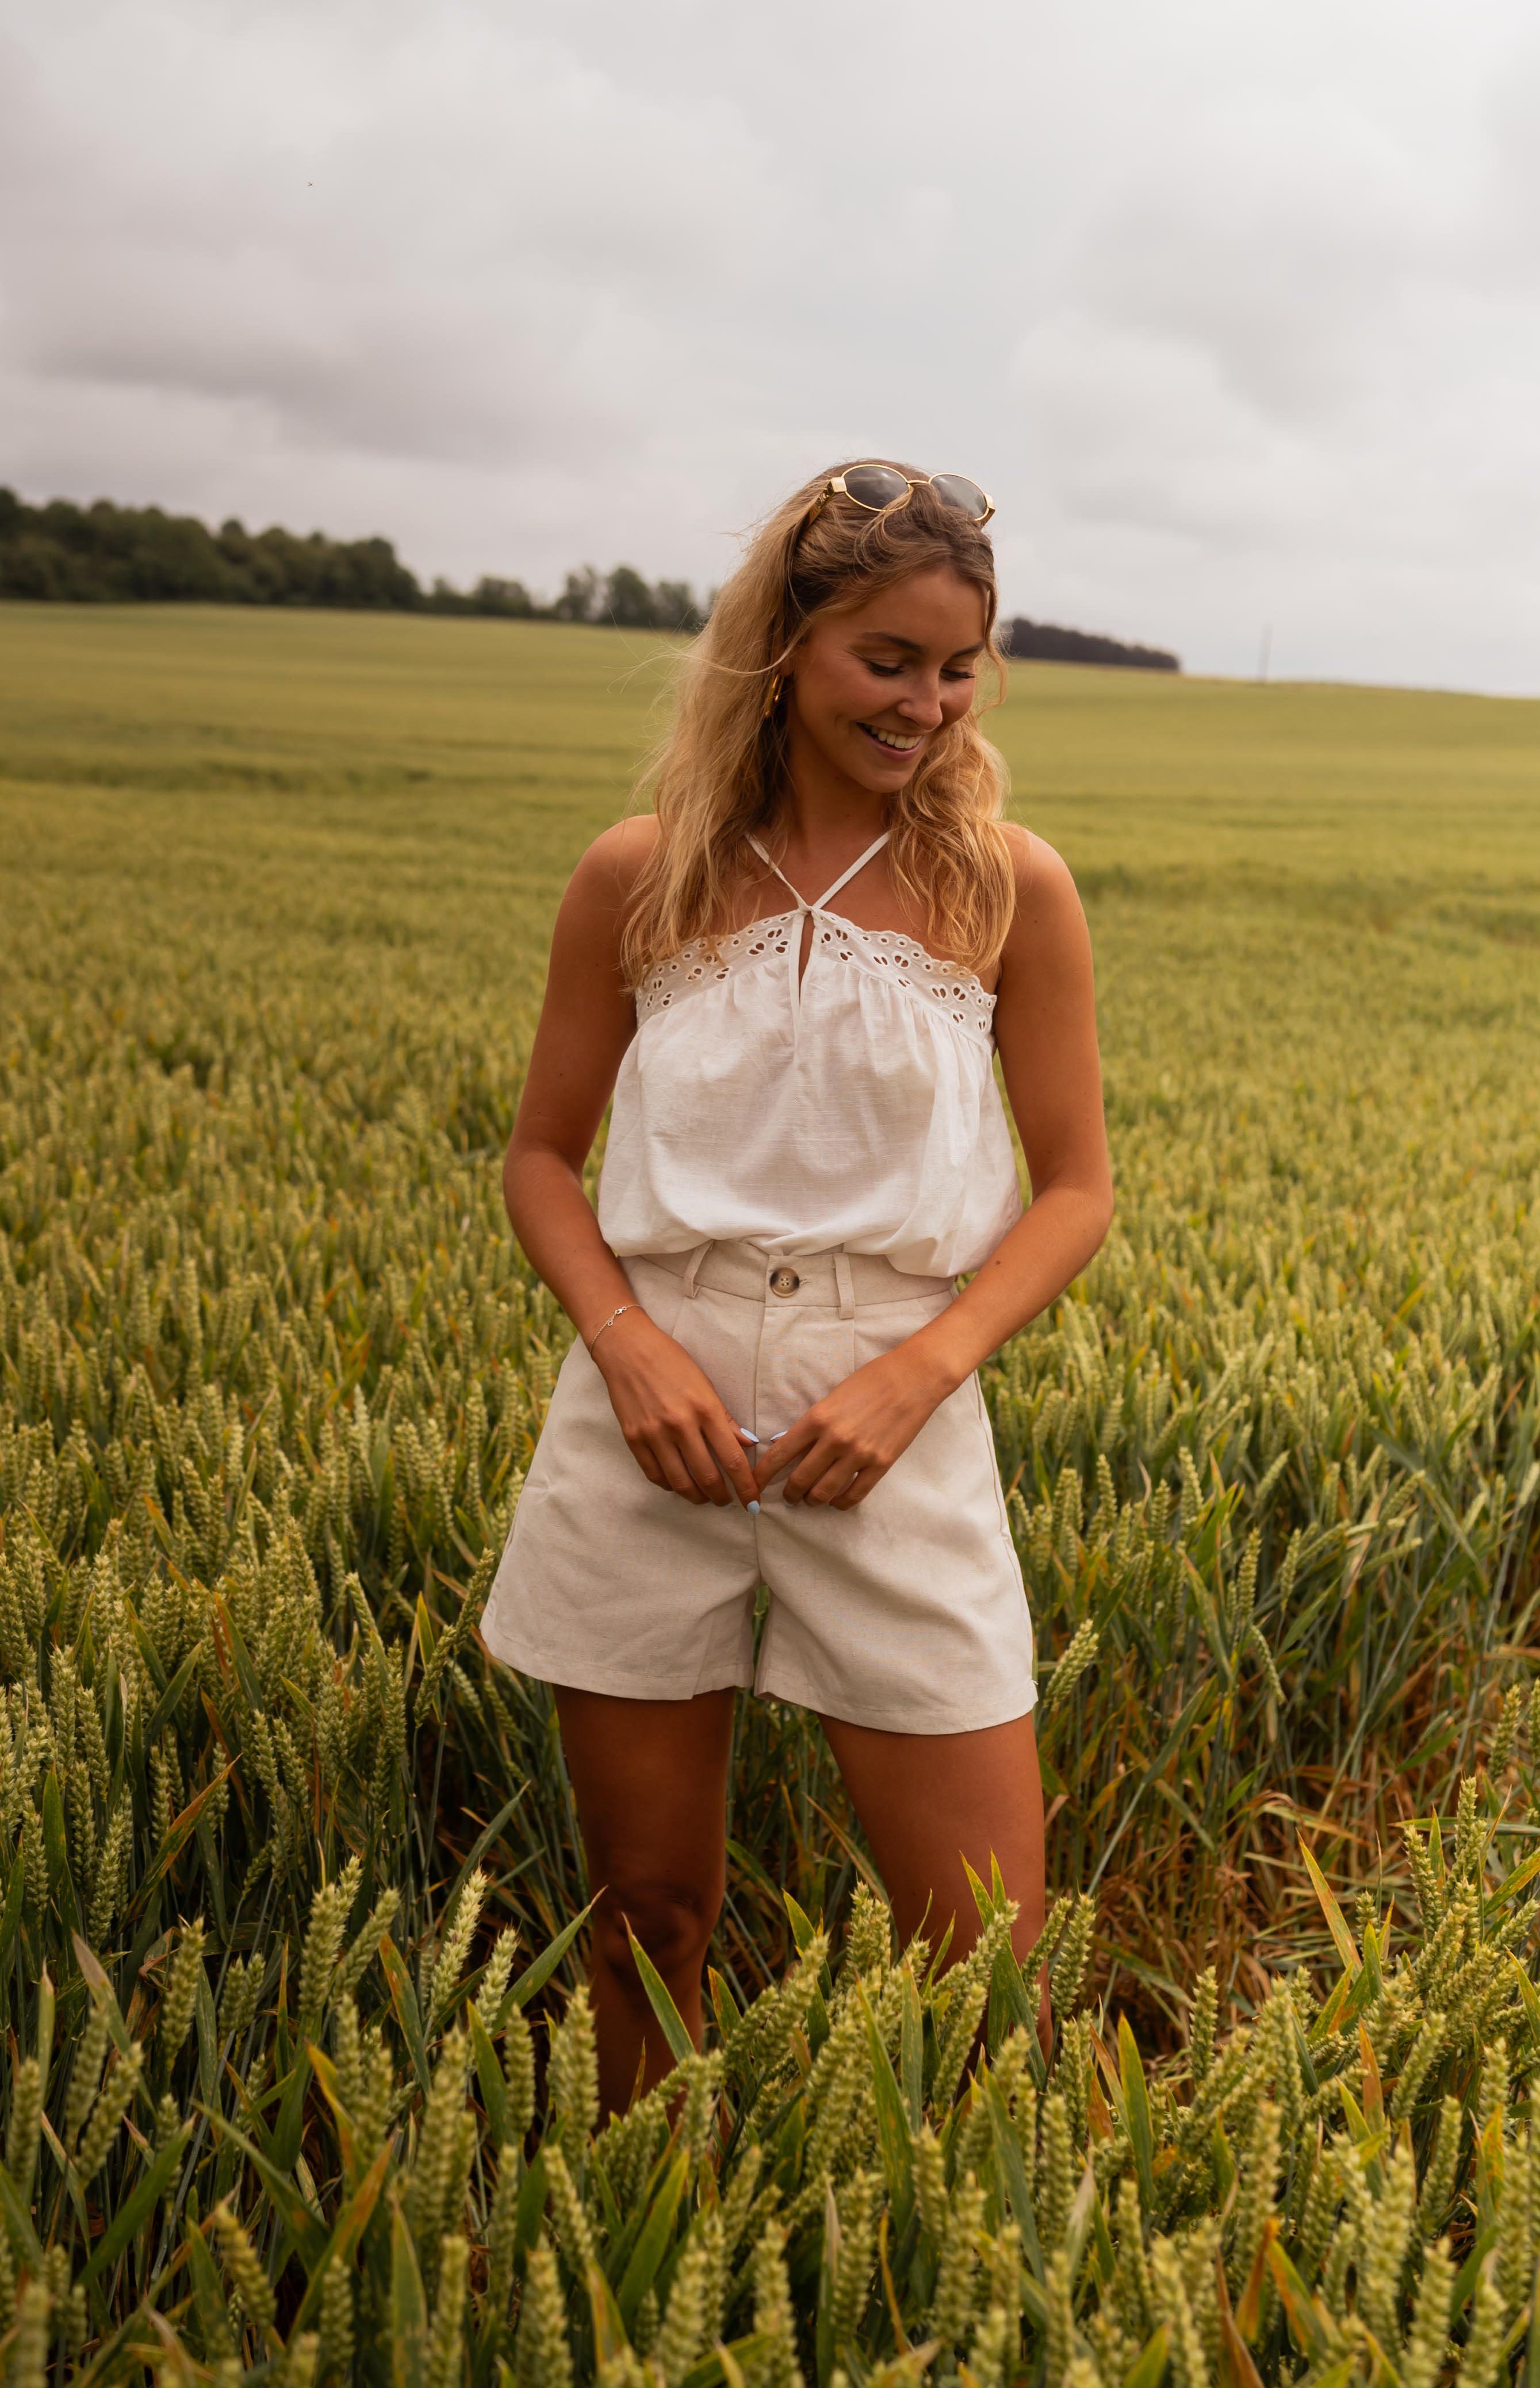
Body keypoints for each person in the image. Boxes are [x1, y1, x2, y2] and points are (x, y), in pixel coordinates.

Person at [481, 459, 1113, 2109]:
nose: (926, 702)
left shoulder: (1007, 886)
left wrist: (924, 1368)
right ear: (783, 646)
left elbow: (1078, 1191)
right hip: (649, 1413)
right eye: (884, 659)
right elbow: (539, 1158)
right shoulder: (642, 873)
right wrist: (624, 1347)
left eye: (957, 663)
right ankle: (640, 2233)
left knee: (985, 1967)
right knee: (647, 1918)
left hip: (892, 1412)